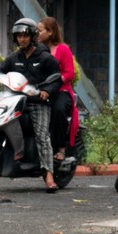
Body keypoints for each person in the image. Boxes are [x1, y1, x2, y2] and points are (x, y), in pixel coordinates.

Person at [0, 18, 65, 189]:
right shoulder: (14, 58)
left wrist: (46, 91)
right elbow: (0, 71)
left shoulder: (45, 58)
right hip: (15, 101)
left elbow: (57, 79)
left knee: (42, 135)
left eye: (25, 35)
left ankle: (49, 175)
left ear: (32, 36)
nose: (22, 39)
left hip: (36, 103)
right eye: (18, 36)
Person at [38, 16, 79, 178]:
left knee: (58, 109)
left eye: (40, 30)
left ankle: (60, 148)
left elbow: (70, 73)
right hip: (41, 91)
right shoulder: (37, 50)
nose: (37, 34)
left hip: (61, 91)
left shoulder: (63, 49)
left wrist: (54, 81)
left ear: (50, 32)